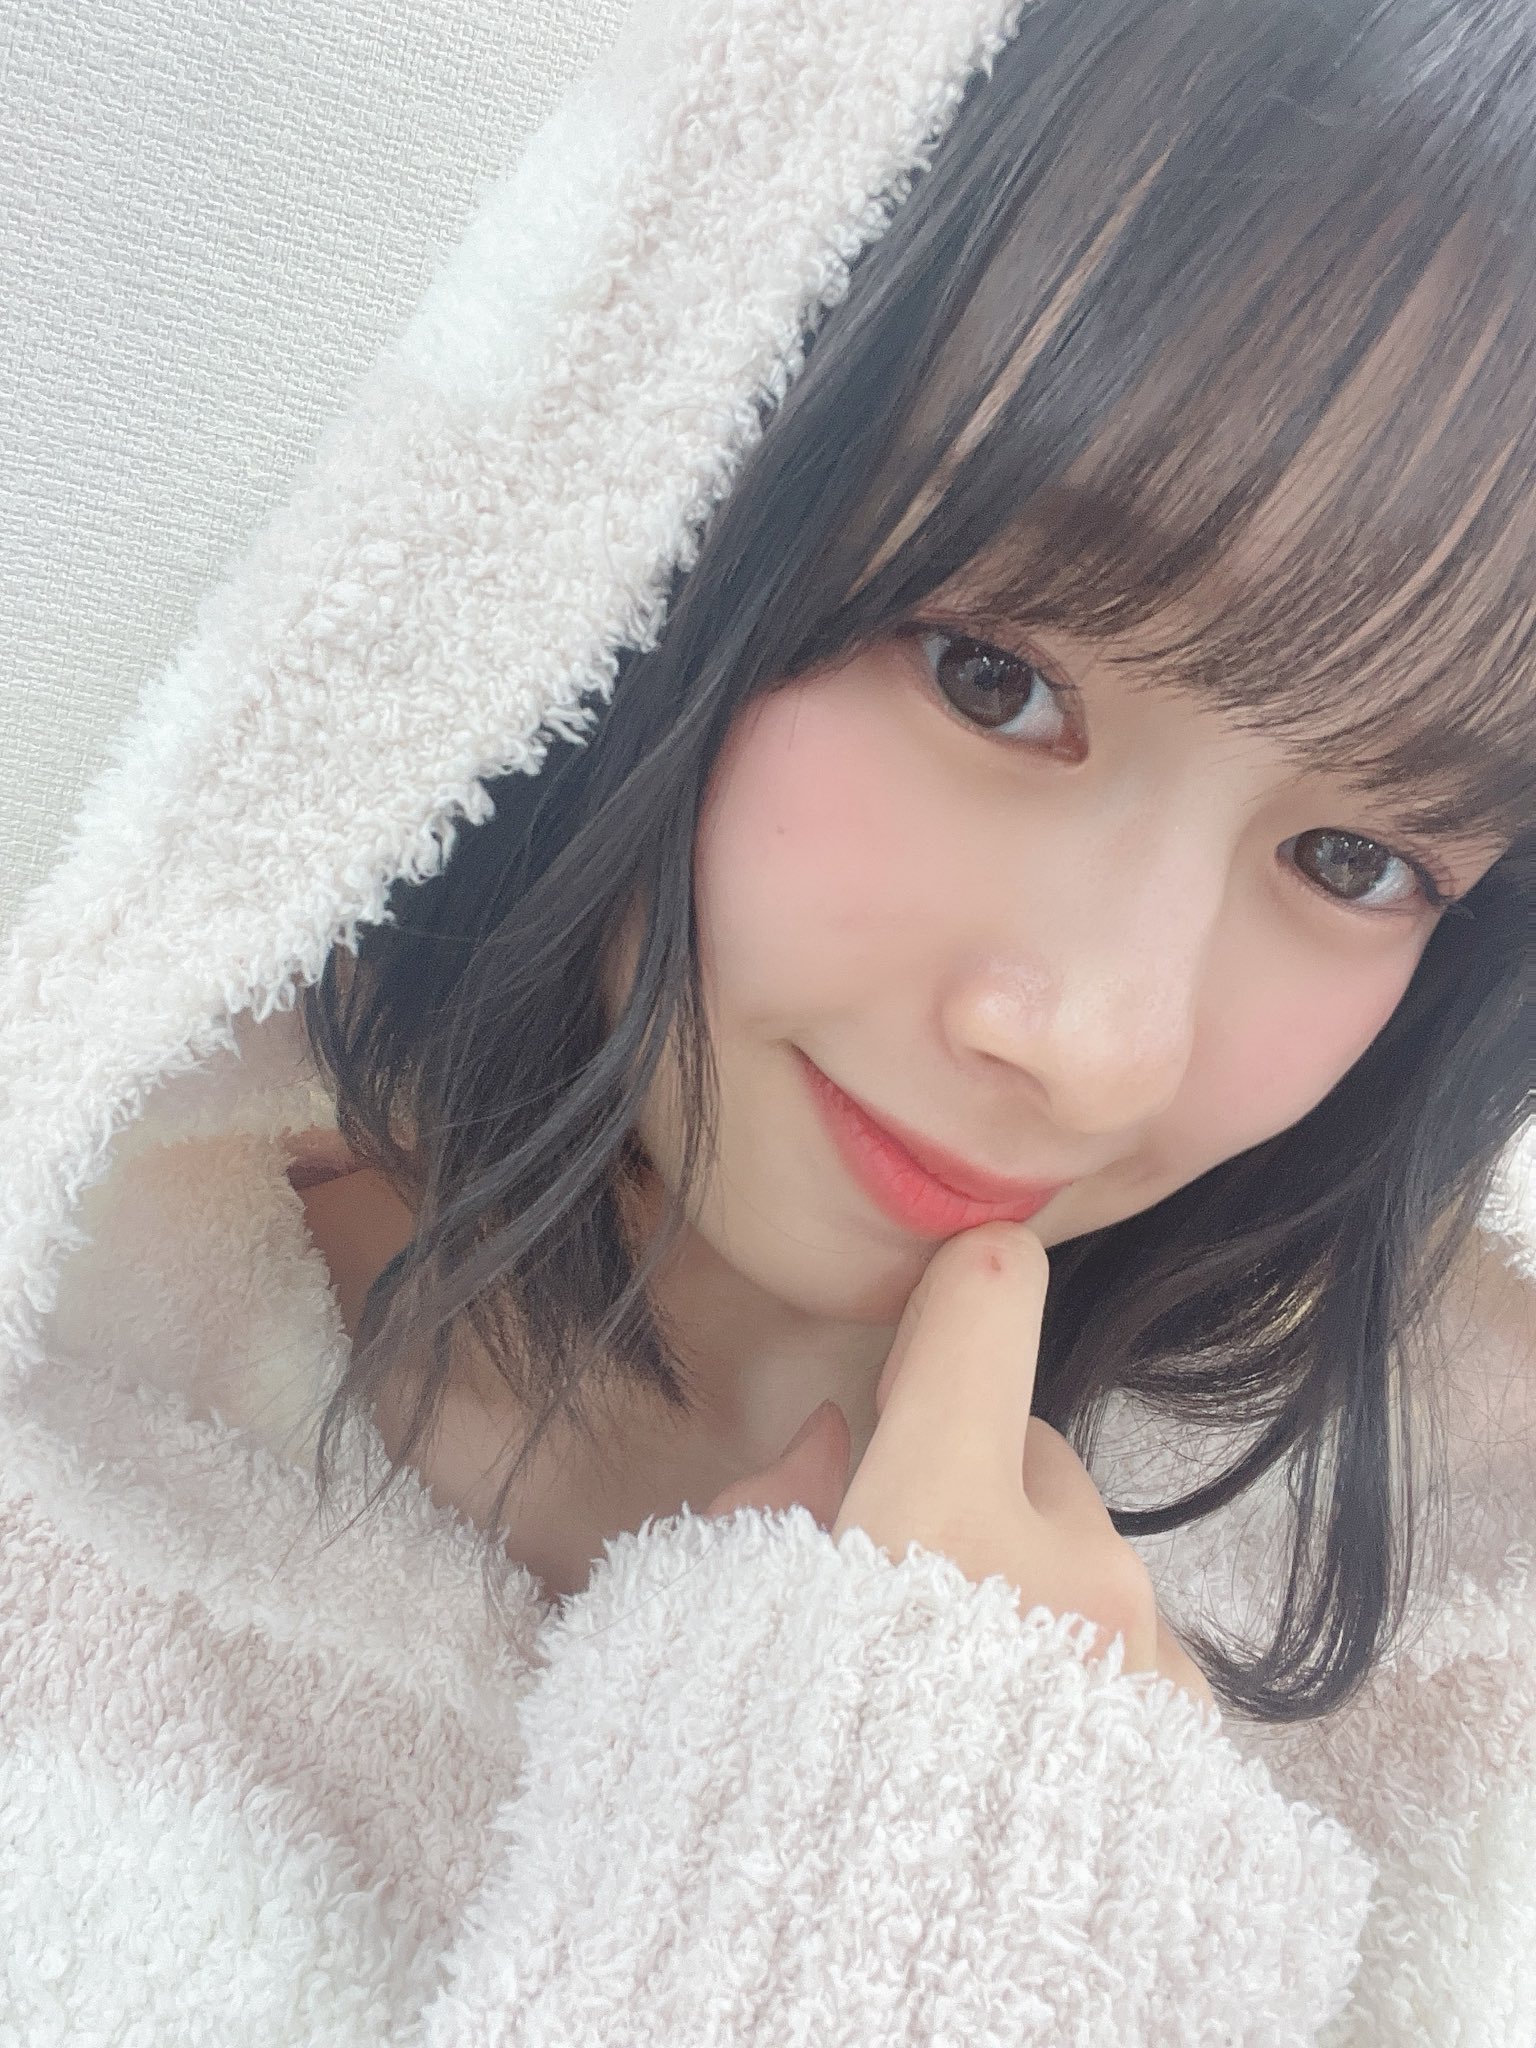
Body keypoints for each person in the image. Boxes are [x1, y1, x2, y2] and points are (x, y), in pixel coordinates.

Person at [1, 0, 1532, 2038]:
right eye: (992, 679)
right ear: (666, 484)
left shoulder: (1469, 1621)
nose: (1100, 1044)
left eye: (1358, 859)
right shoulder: (75, 1451)